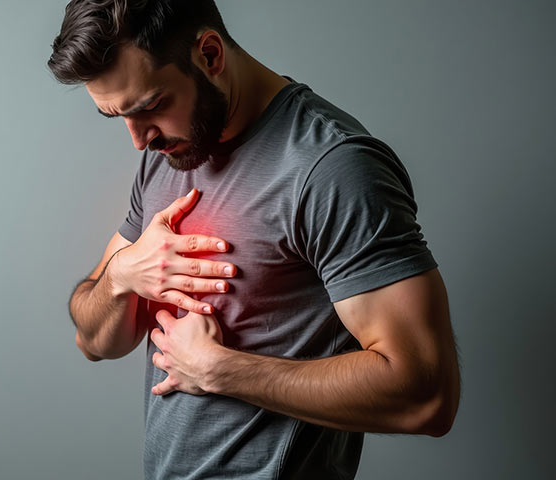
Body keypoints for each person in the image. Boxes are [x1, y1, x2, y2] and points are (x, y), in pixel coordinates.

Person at [48, 1, 460, 478]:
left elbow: (426, 396)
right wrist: (121, 274)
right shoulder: (169, 152)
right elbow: (94, 341)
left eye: (151, 105)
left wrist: (219, 370)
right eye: (117, 116)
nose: (139, 140)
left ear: (209, 55)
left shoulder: (332, 169)